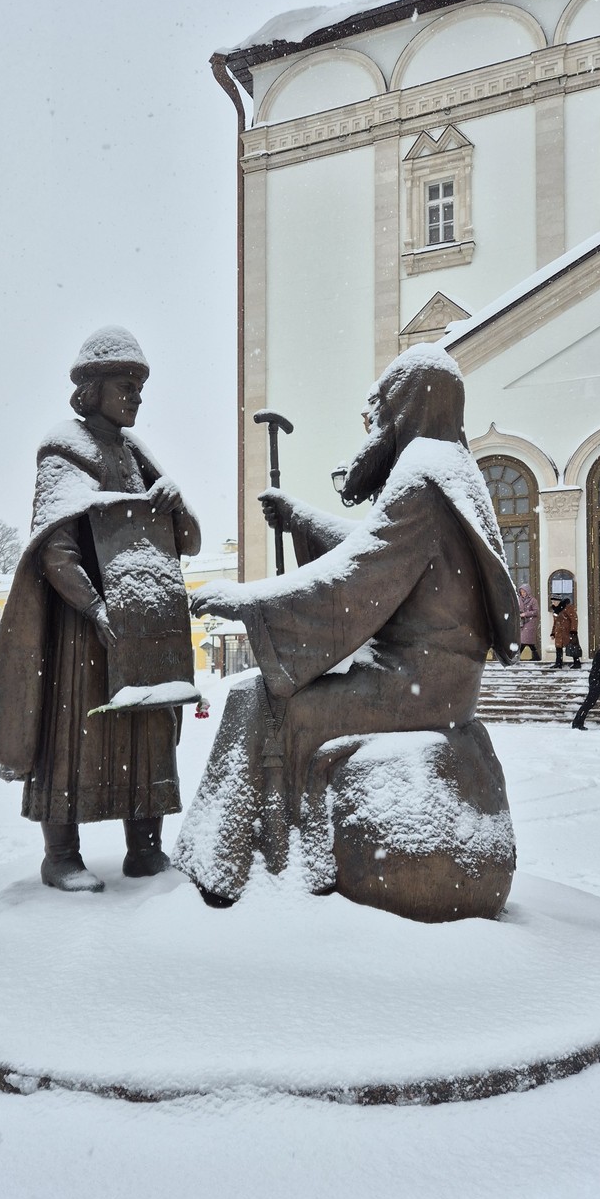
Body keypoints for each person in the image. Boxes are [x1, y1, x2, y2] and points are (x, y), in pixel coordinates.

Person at [175, 346, 520, 904]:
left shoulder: (422, 480)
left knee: (260, 702)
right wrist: (302, 518)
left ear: (407, 407)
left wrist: (248, 602)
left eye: (379, 412)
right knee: (261, 697)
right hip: (439, 683)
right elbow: (380, 557)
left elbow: (357, 579)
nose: (374, 427)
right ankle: (249, 857)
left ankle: (237, 868)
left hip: (412, 683)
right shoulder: (452, 471)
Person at [0, 326, 201, 891]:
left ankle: (144, 849)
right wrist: (97, 609)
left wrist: (175, 505)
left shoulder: (138, 455)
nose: (136, 397)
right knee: (75, 735)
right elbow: (56, 549)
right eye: (126, 385)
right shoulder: (64, 448)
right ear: (92, 388)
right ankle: (61, 856)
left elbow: (188, 541)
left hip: (140, 624)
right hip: (84, 628)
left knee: (145, 730)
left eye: (140, 387)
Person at [517, 583, 540, 660]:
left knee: (523, 640)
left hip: (530, 622)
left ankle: (517, 657)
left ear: (528, 592)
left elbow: (536, 612)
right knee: (529, 642)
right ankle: (536, 656)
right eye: (521, 592)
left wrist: (525, 614)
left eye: (524, 592)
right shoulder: (519, 600)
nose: (523, 594)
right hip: (522, 622)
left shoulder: (533, 600)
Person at [548, 593, 571, 669]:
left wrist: (572, 630)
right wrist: (553, 633)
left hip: (566, 631)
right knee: (558, 648)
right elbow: (555, 623)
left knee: (572, 646)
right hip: (558, 632)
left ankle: (576, 662)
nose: (553, 603)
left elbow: (572, 620)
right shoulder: (555, 610)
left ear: (558, 601)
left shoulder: (566, 608)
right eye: (552, 602)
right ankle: (558, 663)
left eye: (554, 601)